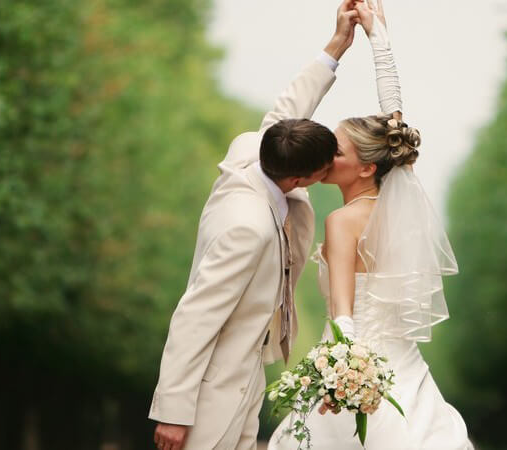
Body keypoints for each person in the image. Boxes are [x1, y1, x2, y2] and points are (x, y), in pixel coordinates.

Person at [148, 2, 362, 449]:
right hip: (216, 385)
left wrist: (337, 45)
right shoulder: (247, 228)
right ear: (299, 179)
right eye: (325, 172)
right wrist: (173, 410)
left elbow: (287, 110)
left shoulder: (255, 151)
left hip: (249, 367)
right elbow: (196, 314)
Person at [268, 1, 473, 449]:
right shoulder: (397, 203)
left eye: (337, 151)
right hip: (404, 366)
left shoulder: (343, 221)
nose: (327, 155)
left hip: (354, 366)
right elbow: (394, 115)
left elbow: (343, 314)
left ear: (365, 169)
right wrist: (378, 39)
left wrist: (343, 373)